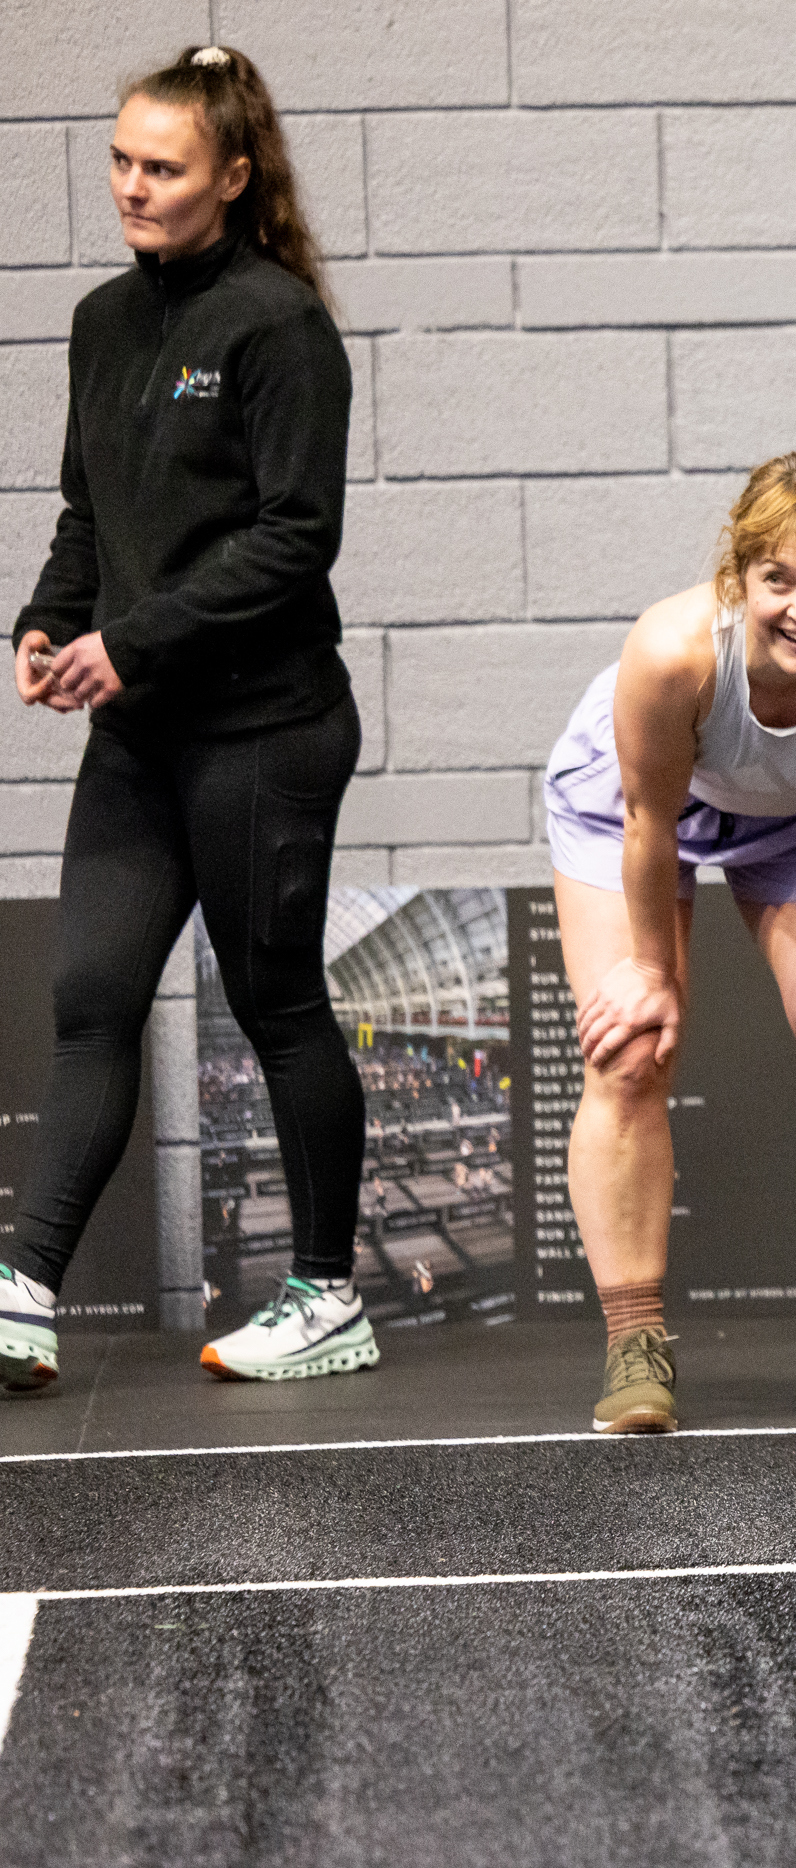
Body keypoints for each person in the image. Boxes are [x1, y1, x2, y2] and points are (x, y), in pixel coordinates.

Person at [2, 46, 377, 1392]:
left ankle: (329, 1295)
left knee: (277, 1004)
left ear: (231, 175)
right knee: (92, 996)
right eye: (120, 161)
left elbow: (297, 539)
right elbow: (89, 513)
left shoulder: (279, 326)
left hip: (266, 731)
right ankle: (24, 1291)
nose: (133, 188)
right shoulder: (105, 323)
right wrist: (46, 625)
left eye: (162, 168)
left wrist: (132, 639)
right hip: (143, 730)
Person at [542, 455, 796, 1434]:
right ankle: (635, 1344)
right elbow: (648, 822)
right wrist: (646, 969)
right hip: (630, 806)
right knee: (631, 1047)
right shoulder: (673, 650)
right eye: (778, 579)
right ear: (738, 579)